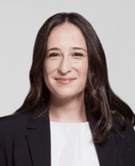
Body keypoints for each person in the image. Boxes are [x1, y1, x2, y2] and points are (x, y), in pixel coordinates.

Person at [0, 12, 135, 166]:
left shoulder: (120, 132)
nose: (64, 68)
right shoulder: (7, 133)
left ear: (92, 64)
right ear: (41, 63)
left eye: (77, 54)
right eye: (54, 55)